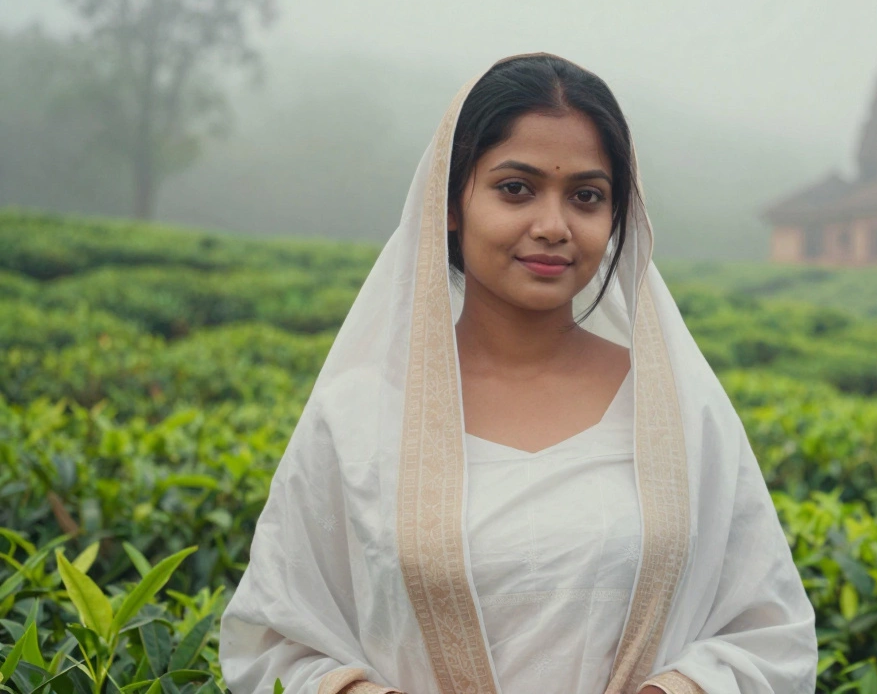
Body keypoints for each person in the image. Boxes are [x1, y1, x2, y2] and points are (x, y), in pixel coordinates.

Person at [219, 53, 817, 694]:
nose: (553, 226)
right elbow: (273, 642)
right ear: (451, 204)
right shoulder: (361, 415)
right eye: (516, 189)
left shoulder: (678, 413)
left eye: (587, 197)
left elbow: (768, 632)